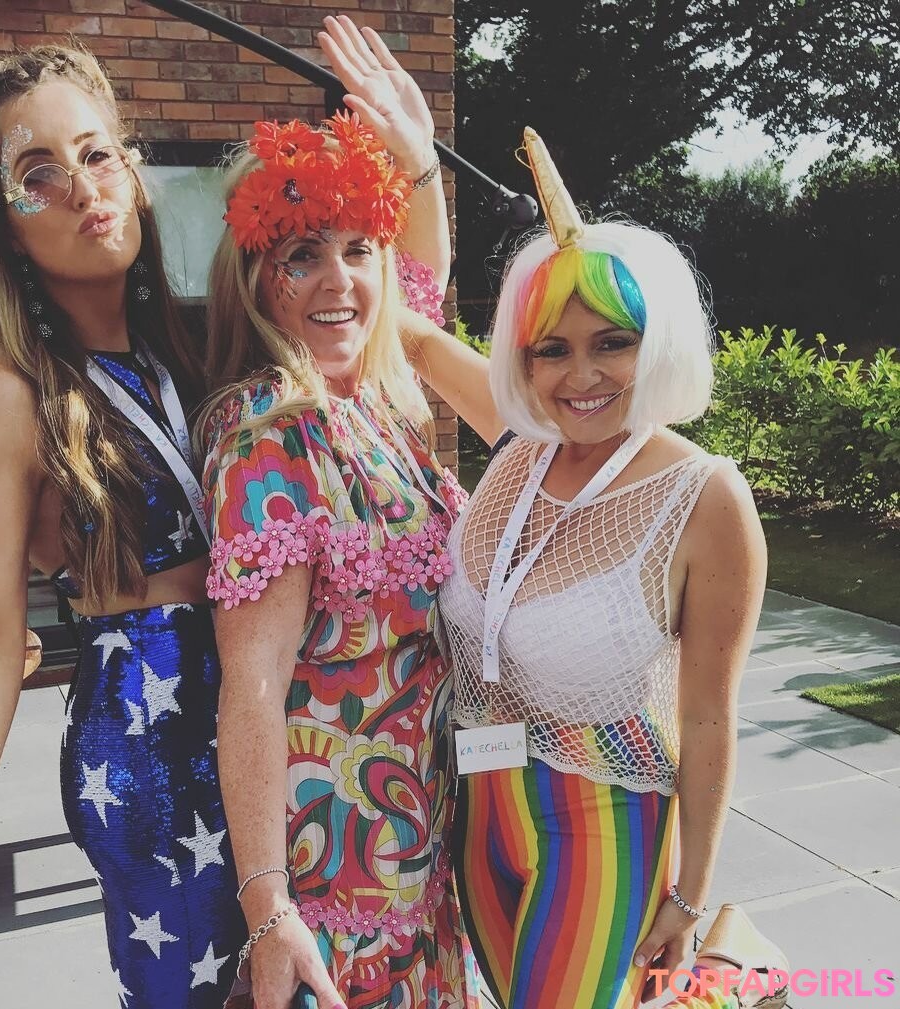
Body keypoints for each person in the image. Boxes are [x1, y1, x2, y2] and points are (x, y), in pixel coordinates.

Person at [0, 46, 246, 1008]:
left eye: (97, 153)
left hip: (267, 707)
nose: (84, 188)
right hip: (153, 742)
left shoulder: (190, 350)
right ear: (4, 223)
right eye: (39, 174)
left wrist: (413, 165)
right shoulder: (3, 392)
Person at [406, 130, 786, 1009]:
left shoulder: (705, 497)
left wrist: (691, 892)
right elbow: (411, 334)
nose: (580, 375)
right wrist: (405, 154)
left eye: (611, 342)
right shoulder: (521, 446)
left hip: (604, 815)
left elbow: (708, 715)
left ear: (658, 345)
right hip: (479, 808)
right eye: (551, 349)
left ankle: (731, 972)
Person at [199, 18, 479, 1009]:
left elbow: (417, 289)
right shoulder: (271, 433)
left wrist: (419, 162)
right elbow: (252, 688)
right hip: (338, 882)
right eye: (302, 254)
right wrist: (269, 906)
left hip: (420, 852)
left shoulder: (376, 400)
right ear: (256, 278)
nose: (339, 280)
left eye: (359, 249)